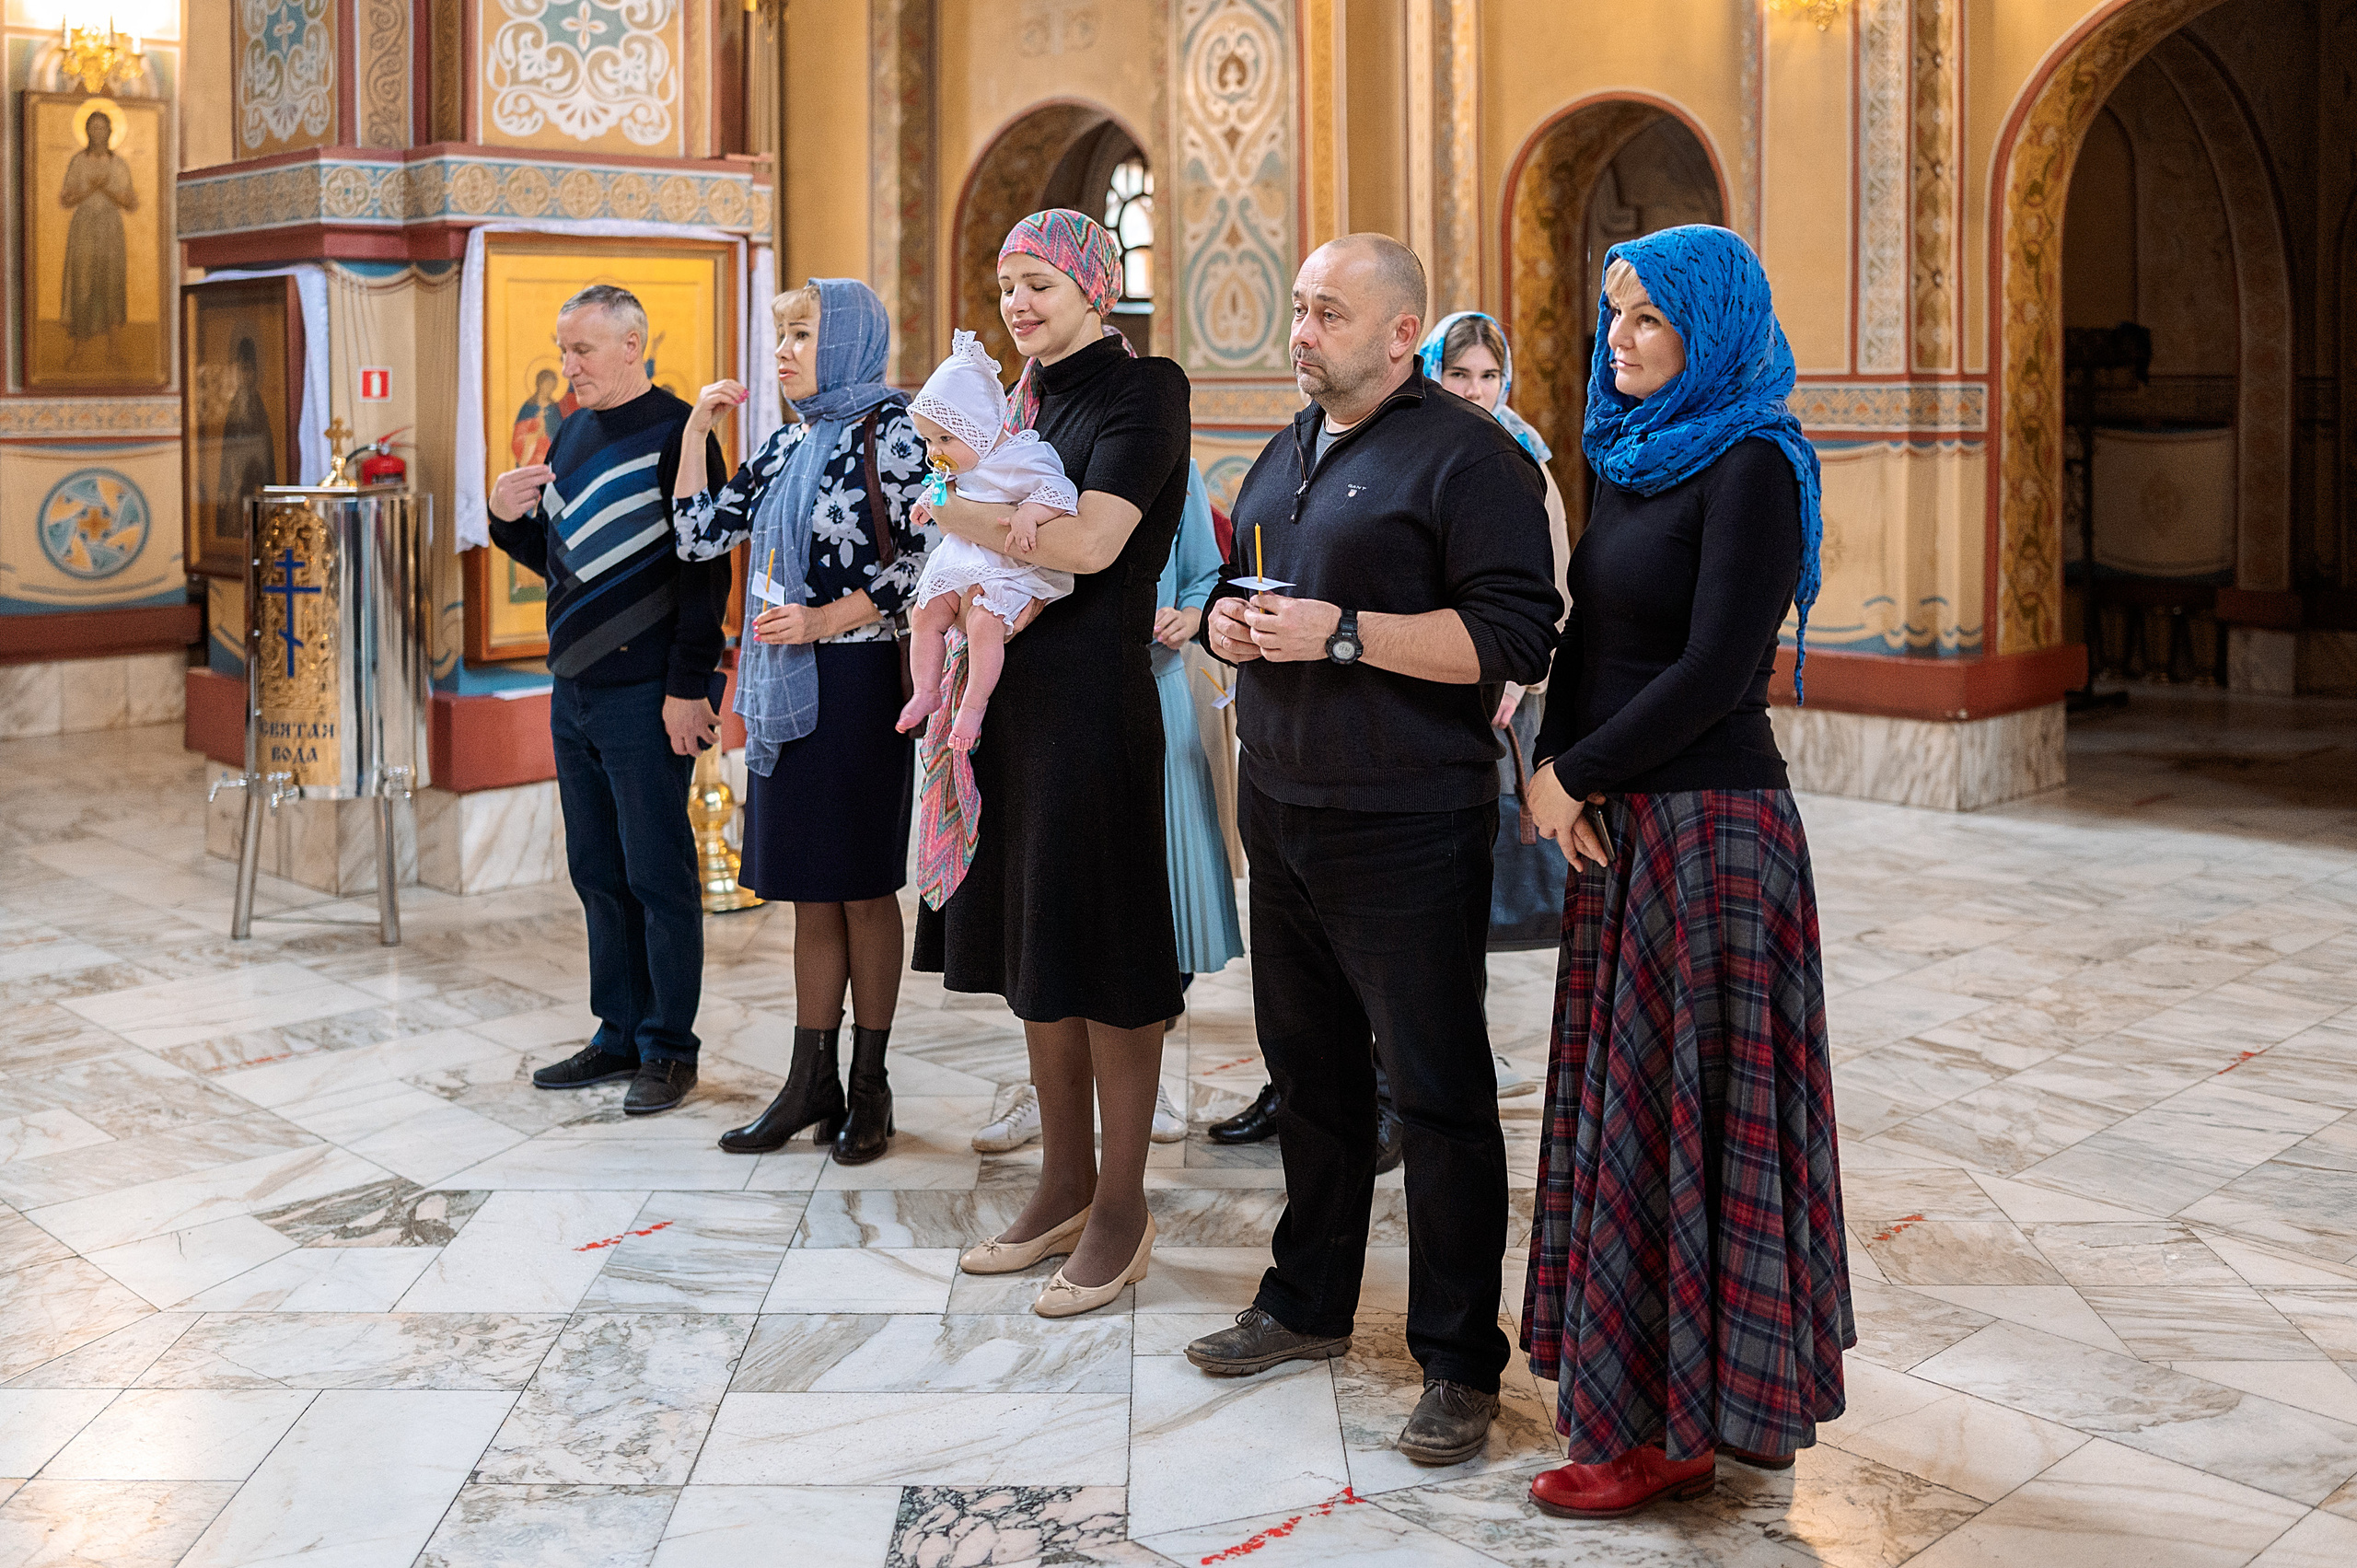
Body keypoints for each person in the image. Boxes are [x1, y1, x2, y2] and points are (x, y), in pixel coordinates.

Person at [1184, 234, 1561, 1469]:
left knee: (1440, 1095)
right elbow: (1272, 598)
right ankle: (1307, 1298)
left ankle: (1459, 1358)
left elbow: (1513, 637)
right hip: (1285, 805)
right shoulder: (1290, 446)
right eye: (1296, 308)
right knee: (1313, 1079)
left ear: (1402, 333)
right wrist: (1239, 629)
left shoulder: (1472, 458)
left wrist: (1341, 633)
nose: (1301, 330)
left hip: (1406, 820)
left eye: (1328, 312)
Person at [1518, 225, 1850, 1519]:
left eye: (1650, 319)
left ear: (1711, 328)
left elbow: (1719, 668)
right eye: (1613, 315)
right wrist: (1561, 768)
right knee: (1631, 1122)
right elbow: (1590, 638)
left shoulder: (1756, 460)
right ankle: (1649, 1404)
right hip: (1625, 821)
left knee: (1684, 1123)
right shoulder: (1632, 456)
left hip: (1713, 831)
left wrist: (1576, 775)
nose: (1622, 339)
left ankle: (1675, 1426)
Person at [917, 209, 1192, 1319]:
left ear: (1094, 285)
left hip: (1092, 703)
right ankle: (1064, 1181)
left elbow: (1088, 546)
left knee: (1109, 956)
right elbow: (1016, 529)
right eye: (1005, 287)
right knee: (1039, 946)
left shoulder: (1142, 389)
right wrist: (985, 518)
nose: (1019, 305)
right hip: (1012, 710)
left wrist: (950, 505)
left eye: (1038, 283)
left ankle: (1122, 1204)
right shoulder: (1023, 399)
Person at [668, 279, 932, 1167]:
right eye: (777, 334)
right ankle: (808, 1078)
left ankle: (870, 1087)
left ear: (850, 338)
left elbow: (932, 554)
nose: (782, 349)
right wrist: (698, 431)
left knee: (862, 886)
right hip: (786, 687)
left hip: (859, 684)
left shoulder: (896, 432)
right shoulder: (785, 444)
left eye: (802, 332)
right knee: (810, 890)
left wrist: (826, 618)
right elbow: (700, 533)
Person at [488, 285, 728, 1117]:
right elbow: (566, 557)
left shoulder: (680, 434)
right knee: (596, 868)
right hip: (576, 687)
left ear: (634, 346)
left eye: (581, 352)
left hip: (648, 693)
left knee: (658, 873)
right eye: (561, 352)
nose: (567, 369)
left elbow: (706, 572)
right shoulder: (573, 428)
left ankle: (670, 1048)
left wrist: (688, 685)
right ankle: (618, 1030)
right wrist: (503, 519)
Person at [970, 463, 1236, 1157]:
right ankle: (1047, 1084)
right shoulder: (1028, 463)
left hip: (1158, 690)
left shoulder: (1176, 467)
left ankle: (1143, 1081)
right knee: (1047, 902)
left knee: (1152, 897)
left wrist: (1192, 613)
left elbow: (1209, 578)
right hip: (1050, 702)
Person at [1418, 310, 1573, 1052]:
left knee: (1466, 882)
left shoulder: (1525, 458)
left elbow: (1557, 586)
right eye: (1458, 374)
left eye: (1488, 375)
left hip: (1500, 695)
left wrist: (1520, 670)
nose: (1475, 391)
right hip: (1413, 685)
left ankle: (1445, 1056)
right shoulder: (1406, 442)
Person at [899, 330, 1080, 754]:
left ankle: (974, 704)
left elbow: (1059, 494)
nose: (934, 451)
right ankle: (926, 689)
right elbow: (945, 483)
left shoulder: (1023, 457)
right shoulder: (962, 459)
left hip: (1008, 567)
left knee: (984, 623)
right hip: (964, 557)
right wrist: (930, 500)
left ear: (980, 426)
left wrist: (1029, 515)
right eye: (928, 440)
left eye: (944, 439)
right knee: (924, 612)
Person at [61, 110, 134, 355]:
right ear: (87, 131)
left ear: (110, 132)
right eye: (93, 128)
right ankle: (79, 348)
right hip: (84, 228)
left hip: (110, 228)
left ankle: (114, 349)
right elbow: (66, 199)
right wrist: (90, 190)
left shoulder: (118, 164)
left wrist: (106, 190)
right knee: (82, 283)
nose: (98, 133)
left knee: (111, 284)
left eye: (102, 128)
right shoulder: (78, 162)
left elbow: (130, 202)